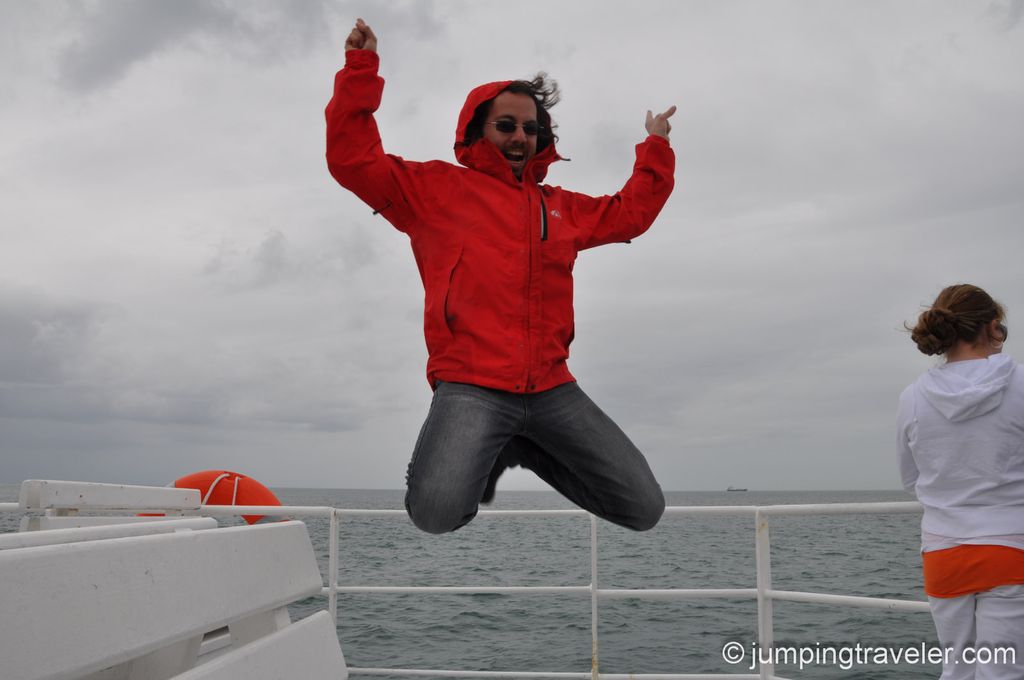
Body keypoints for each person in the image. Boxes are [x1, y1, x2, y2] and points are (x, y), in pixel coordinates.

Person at [326, 19, 676, 534]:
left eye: (531, 128)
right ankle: (498, 438)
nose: (519, 137)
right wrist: (360, 70)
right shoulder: (435, 192)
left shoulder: (559, 208)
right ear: (478, 130)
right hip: (472, 385)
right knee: (436, 514)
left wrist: (655, 147)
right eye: (506, 125)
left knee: (643, 509)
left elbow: (630, 215)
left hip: (552, 387)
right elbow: (353, 159)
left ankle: (522, 444)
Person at [898, 284, 1024, 679]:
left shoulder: (913, 397)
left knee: (956, 669)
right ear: (991, 327)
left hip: (943, 552)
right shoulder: (1020, 384)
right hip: (1010, 547)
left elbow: (909, 478)